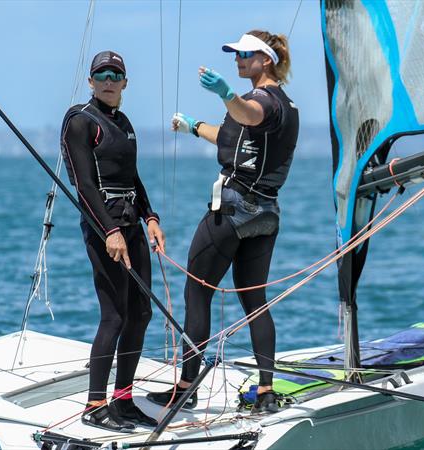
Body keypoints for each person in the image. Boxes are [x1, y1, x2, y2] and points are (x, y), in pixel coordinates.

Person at [146, 31, 298, 414]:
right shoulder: (287, 104)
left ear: (266, 60)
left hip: (232, 211)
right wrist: (194, 126)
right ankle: (265, 392)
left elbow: (250, 114)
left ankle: (186, 388)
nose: (238, 60)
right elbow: (234, 136)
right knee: (255, 301)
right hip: (265, 215)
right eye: (235, 55)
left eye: (245, 55)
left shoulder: (262, 99)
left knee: (197, 294)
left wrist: (226, 94)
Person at [60, 50, 165, 432]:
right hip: (105, 228)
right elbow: (84, 186)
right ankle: (95, 404)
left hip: (132, 225)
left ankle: (123, 399)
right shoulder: (81, 122)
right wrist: (109, 230)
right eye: (101, 74)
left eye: (115, 74)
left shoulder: (122, 122)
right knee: (114, 316)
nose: (108, 80)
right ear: (91, 81)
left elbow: (133, 178)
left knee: (141, 313)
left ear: (124, 83)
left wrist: (150, 217)